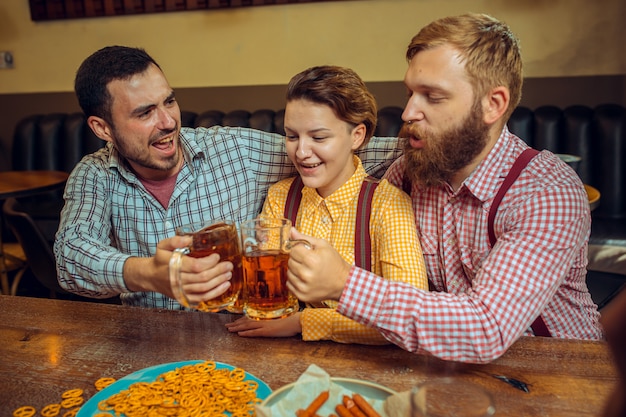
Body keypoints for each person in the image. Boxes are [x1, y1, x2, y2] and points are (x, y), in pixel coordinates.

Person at [285, 13, 603, 363]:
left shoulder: (546, 192)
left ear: (492, 105)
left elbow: (486, 328)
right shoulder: (409, 171)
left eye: (432, 97)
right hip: (451, 373)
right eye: (410, 93)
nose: (407, 113)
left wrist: (345, 283)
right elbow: (348, 182)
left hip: (561, 372)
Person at [53, 46, 401, 309]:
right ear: (103, 128)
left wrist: (433, 142)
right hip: (146, 343)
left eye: (169, 101)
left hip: (237, 339)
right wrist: (151, 274)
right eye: (145, 113)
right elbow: (70, 259)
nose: (168, 121)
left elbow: (346, 150)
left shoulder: (234, 151)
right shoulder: (94, 174)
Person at [226, 66, 427, 344]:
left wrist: (302, 322)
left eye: (319, 137)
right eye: (292, 136)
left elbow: (411, 317)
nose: (302, 152)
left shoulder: (387, 204)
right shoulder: (280, 197)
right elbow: (265, 295)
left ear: (356, 136)